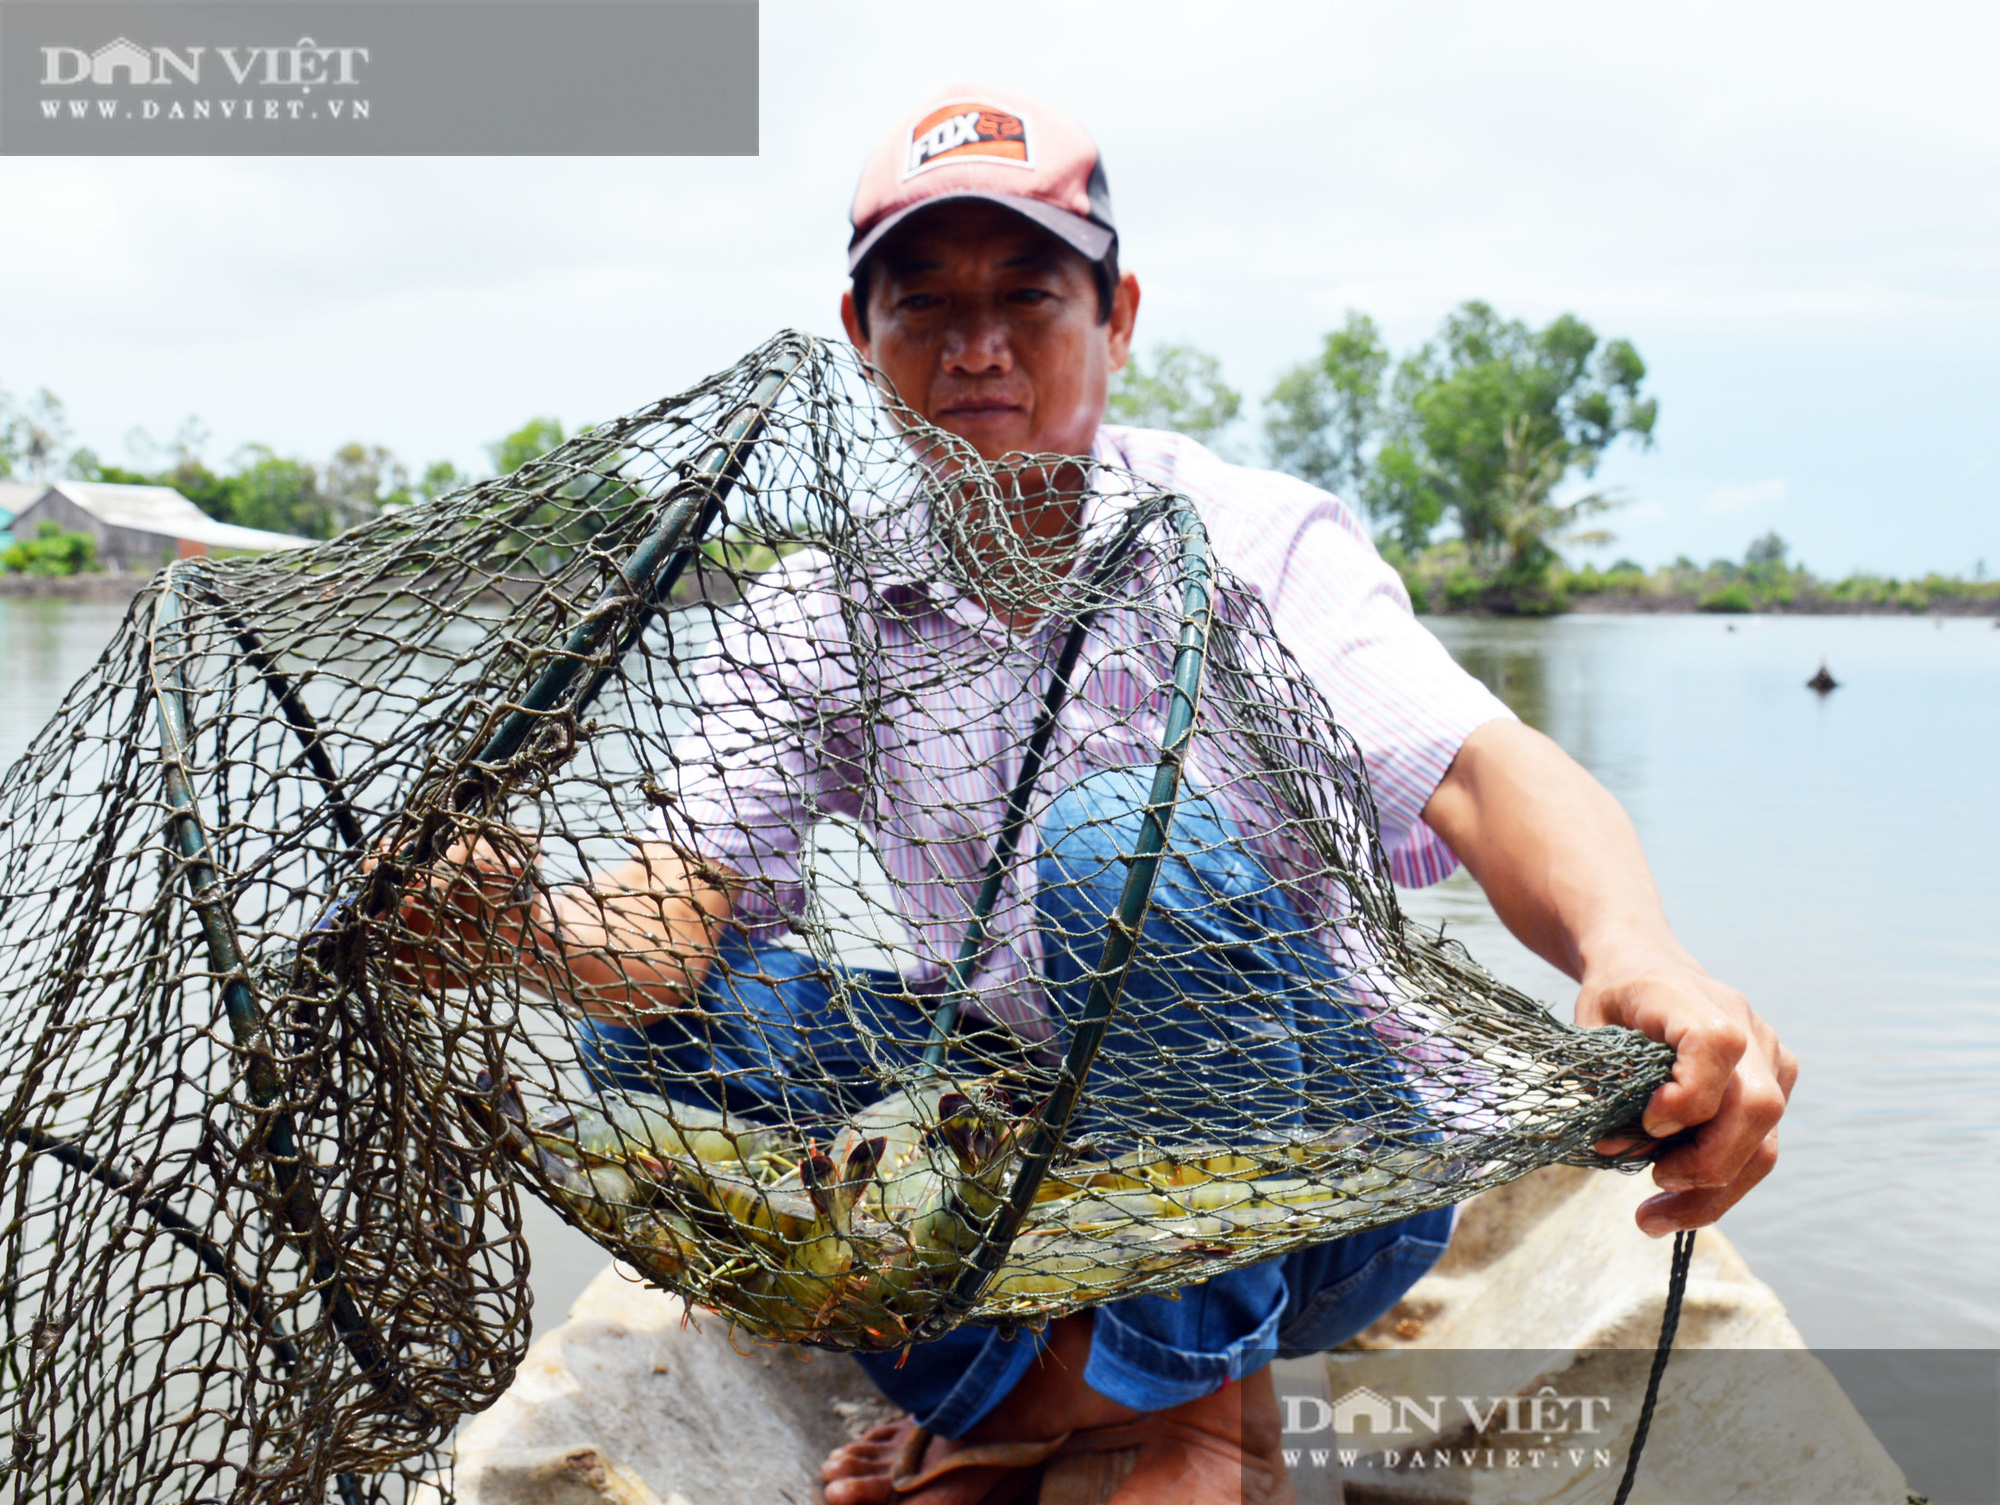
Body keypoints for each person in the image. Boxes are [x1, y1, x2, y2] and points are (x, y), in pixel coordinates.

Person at [413, 85, 1797, 1505]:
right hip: (1021, 1151)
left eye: (1029, 296)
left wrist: (1638, 949)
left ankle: (1176, 1412)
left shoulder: (1249, 537)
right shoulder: (816, 607)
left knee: (1111, 845)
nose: (977, 350)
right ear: (860, 338)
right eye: (922, 308)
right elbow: (660, 925)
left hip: (1316, 1171)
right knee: (657, 1043)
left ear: (1117, 316)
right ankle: (1059, 1391)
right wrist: (514, 913)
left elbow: (1489, 775)